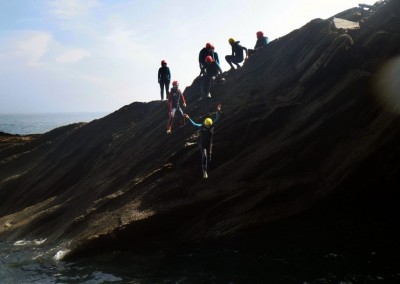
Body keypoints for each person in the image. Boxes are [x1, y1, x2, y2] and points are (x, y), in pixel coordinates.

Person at [184, 104, 222, 179]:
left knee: (209, 158)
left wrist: (218, 110)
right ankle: (204, 172)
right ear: (205, 123)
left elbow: (218, 118)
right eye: (207, 125)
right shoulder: (202, 126)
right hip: (202, 144)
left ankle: (209, 170)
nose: (208, 126)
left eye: (209, 125)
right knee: (204, 157)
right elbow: (194, 124)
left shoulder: (212, 125)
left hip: (209, 143)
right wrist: (188, 118)